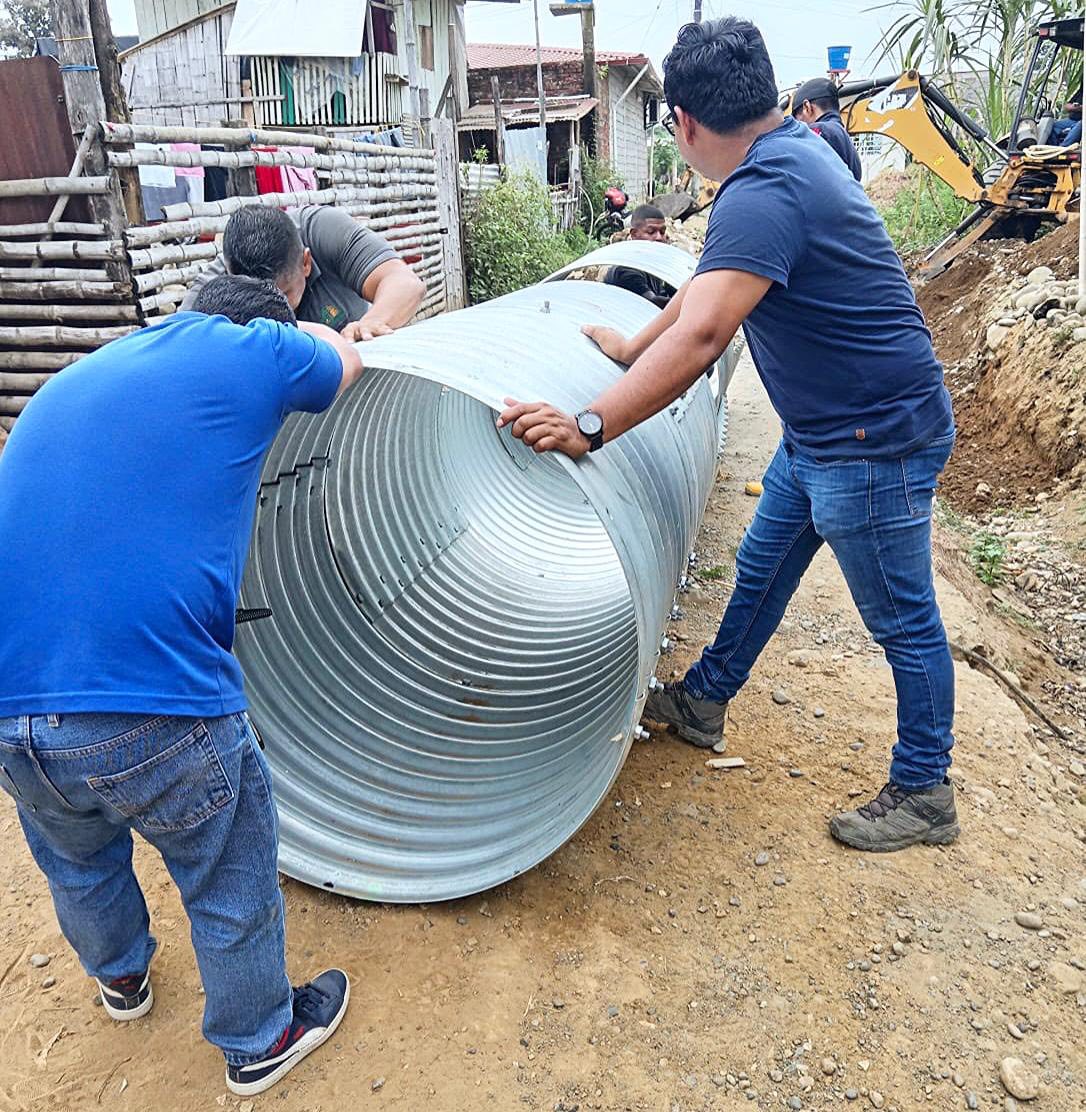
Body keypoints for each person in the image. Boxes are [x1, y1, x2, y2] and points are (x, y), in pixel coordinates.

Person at [497, 17, 959, 854]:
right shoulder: (783, 155)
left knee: (902, 620)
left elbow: (708, 336)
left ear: (683, 124)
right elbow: (710, 287)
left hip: (874, 440)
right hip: (825, 433)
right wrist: (634, 345)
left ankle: (926, 788)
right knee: (761, 567)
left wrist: (590, 424)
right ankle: (704, 701)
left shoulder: (767, 186)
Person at [0, 276, 363, 1096]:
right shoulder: (253, 347)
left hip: (9, 703)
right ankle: (261, 1035)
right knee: (226, 861)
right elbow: (343, 360)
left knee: (74, 849)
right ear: (258, 329)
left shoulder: (86, 375)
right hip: (148, 702)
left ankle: (122, 978)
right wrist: (337, 335)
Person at [181, 204, 425, 340]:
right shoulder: (211, 289)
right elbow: (177, 345)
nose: (273, 311)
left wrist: (371, 323)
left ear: (306, 262)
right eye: (259, 301)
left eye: (284, 294)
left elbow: (406, 284)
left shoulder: (324, 230)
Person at [605, 204, 677, 308]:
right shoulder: (627, 269)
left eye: (662, 232)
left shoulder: (651, 264)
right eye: (651, 232)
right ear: (634, 234)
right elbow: (653, 303)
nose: (659, 237)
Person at [792, 76, 863, 180]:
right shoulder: (846, 141)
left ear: (807, 107)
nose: (798, 124)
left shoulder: (817, 132)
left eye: (797, 119)